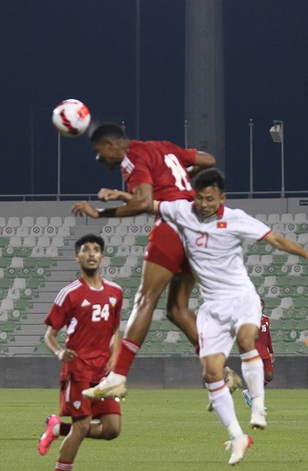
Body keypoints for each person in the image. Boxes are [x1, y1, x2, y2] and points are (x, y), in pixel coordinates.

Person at [150, 168, 308, 464]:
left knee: (246, 340)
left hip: (242, 297)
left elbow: (274, 239)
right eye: (199, 198)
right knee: (211, 374)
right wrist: (118, 200)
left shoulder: (236, 218)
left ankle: (258, 406)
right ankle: (237, 436)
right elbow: (152, 204)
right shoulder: (185, 212)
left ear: (222, 198)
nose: (204, 204)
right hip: (212, 307)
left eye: (210, 199)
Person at [72, 122, 245, 401]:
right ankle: (223, 371)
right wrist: (178, 177)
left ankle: (116, 377)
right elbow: (208, 161)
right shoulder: (162, 147)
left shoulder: (132, 158)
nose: (98, 158)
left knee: (144, 299)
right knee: (177, 309)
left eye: (98, 151)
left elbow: (142, 202)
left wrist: (100, 213)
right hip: (200, 229)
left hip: (174, 225)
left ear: (111, 146)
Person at [37, 233, 124, 471]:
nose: (91, 254)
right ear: (78, 257)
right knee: (83, 425)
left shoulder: (115, 292)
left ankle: (56, 428)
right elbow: (49, 334)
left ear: (102, 257)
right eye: (86, 249)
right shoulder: (70, 293)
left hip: (103, 374)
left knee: (112, 429)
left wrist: (115, 357)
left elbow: (115, 331)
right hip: (78, 371)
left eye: (96, 249)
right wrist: (59, 352)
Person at [239, 299, 274, 408]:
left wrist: (271, 351)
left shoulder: (266, 320)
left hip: (264, 352)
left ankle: (249, 392)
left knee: (269, 376)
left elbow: (268, 337)